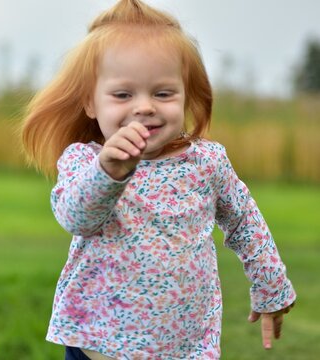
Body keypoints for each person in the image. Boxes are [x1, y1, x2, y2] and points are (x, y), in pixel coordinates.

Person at [21, 0, 296, 358]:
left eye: (163, 93)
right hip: (100, 344)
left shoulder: (206, 163)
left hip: (184, 345)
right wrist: (108, 174)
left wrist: (271, 285)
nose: (145, 106)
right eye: (123, 94)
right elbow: (77, 218)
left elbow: (245, 222)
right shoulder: (85, 161)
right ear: (91, 103)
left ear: (184, 96)